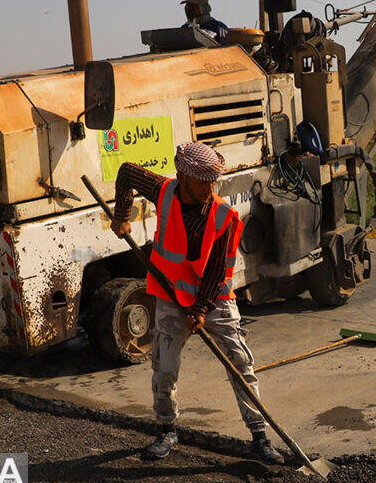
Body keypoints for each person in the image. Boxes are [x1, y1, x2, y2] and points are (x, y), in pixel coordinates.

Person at [111, 142, 281, 464]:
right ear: (182, 177)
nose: (209, 188)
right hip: (171, 298)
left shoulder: (223, 216)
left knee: (240, 363)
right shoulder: (163, 191)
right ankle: (167, 431)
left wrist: (200, 309)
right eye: (203, 181)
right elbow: (126, 174)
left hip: (213, 299)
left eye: (213, 181)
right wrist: (122, 216)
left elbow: (217, 270)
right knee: (164, 368)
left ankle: (259, 437)